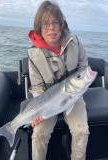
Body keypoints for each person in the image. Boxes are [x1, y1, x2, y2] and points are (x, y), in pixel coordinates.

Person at [27, 0, 89, 160]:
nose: (51, 27)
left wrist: (78, 88)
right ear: (39, 28)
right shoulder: (34, 56)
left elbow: (84, 68)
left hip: (74, 95)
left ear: (62, 25)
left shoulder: (75, 43)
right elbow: (37, 87)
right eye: (45, 23)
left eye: (55, 22)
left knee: (81, 130)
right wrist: (38, 110)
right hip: (47, 101)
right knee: (39, 134)